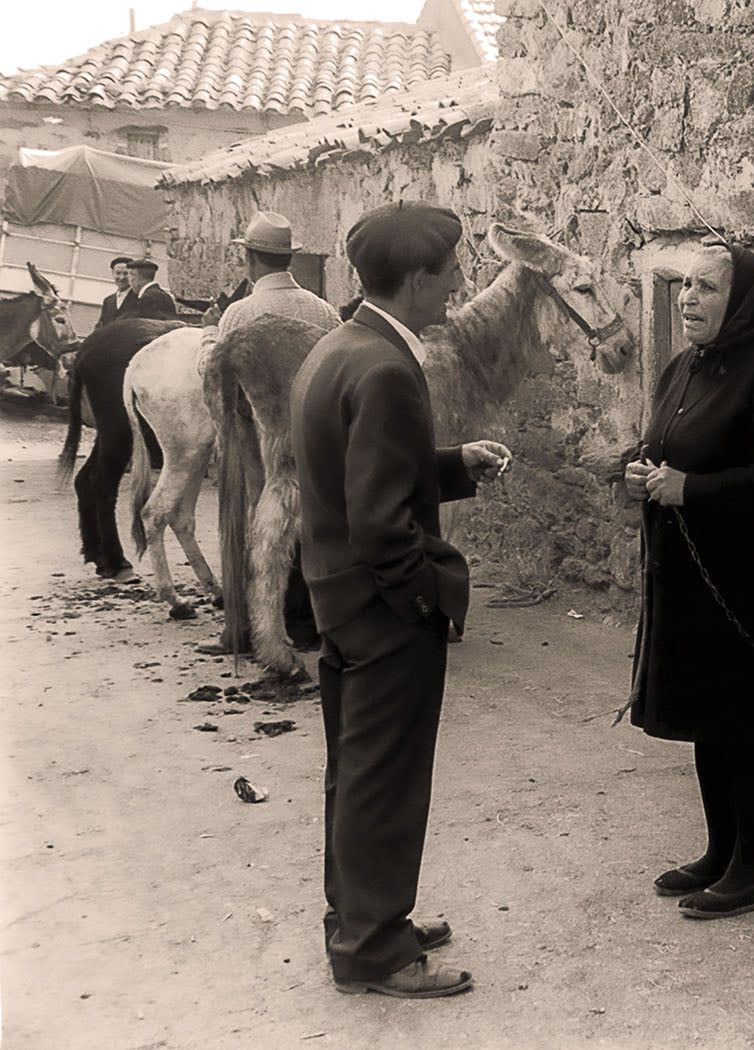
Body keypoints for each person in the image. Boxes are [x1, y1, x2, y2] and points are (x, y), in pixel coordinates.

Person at [290, 201, 511, 998]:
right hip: (381, 613)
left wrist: (450, 465)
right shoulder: (387, 367)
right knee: (384, 778)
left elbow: (355, 467)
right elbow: (382, 524)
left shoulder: (341, 347)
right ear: (418, 280)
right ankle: (373, 949)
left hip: (335, 599)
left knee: (354, 774)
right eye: (452, 269)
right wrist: (427, 600)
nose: (460, 282)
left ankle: (358, 918)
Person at [623, 240, 754, 920]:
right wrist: (641, 471)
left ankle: (751, 869)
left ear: (741, 300)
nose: (686, 299)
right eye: (682, 286)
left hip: (742, 577)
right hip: (683, 573)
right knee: (707, 716)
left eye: (704, 288)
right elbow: (662, 448)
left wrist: (692, 489)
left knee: (740, 719)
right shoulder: (684, 366)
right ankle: (718, 852)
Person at [195, 211, 340, 658]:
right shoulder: (323, 310)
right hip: (311, 446)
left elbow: (215, 376)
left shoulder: (240, 313)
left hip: (257, 443)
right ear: (287, 259)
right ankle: (307, 621)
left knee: (251, 518)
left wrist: (205, 339)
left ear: (249, 259)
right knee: (307, 524)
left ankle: (246, 627)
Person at [94, 257, 136, 329]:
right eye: (118, 273)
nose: (121, 277)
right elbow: (100, 326)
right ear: (113, 274)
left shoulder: (139, 298)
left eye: (126, 273)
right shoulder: (108, 301)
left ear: (132, 275)